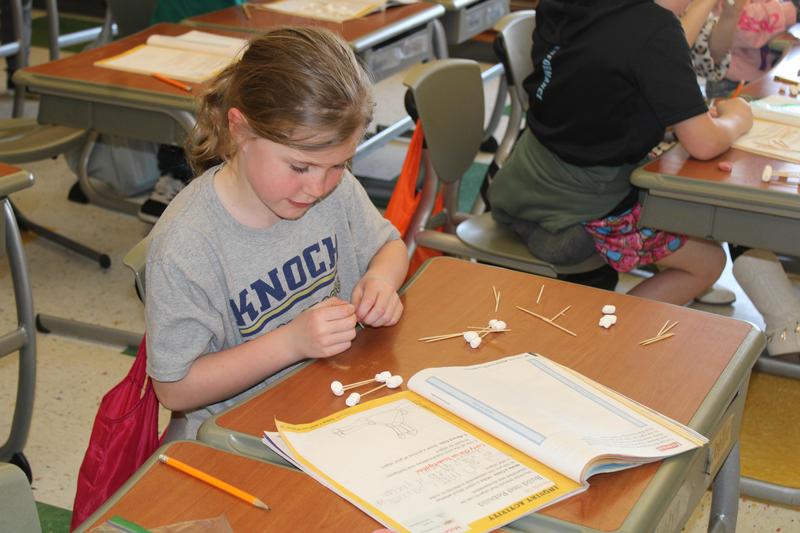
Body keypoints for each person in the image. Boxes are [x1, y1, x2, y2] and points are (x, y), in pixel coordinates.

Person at [145, 27, 409, 440]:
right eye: (300, 167)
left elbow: (390, 246)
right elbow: (175, 388)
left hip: (335, 395)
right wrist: (291, 344)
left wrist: (380, 281)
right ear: (240, 130)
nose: (318, 188)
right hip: (242, 433)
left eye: (339, 165)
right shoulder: (187, 244)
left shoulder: (333, 190)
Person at [488, 0, 753, 306]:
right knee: (708, 261)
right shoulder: (654, 29)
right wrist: (738, 117)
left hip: (520, 186)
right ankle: (609, 339)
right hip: (583, 209)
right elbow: (704, 143)